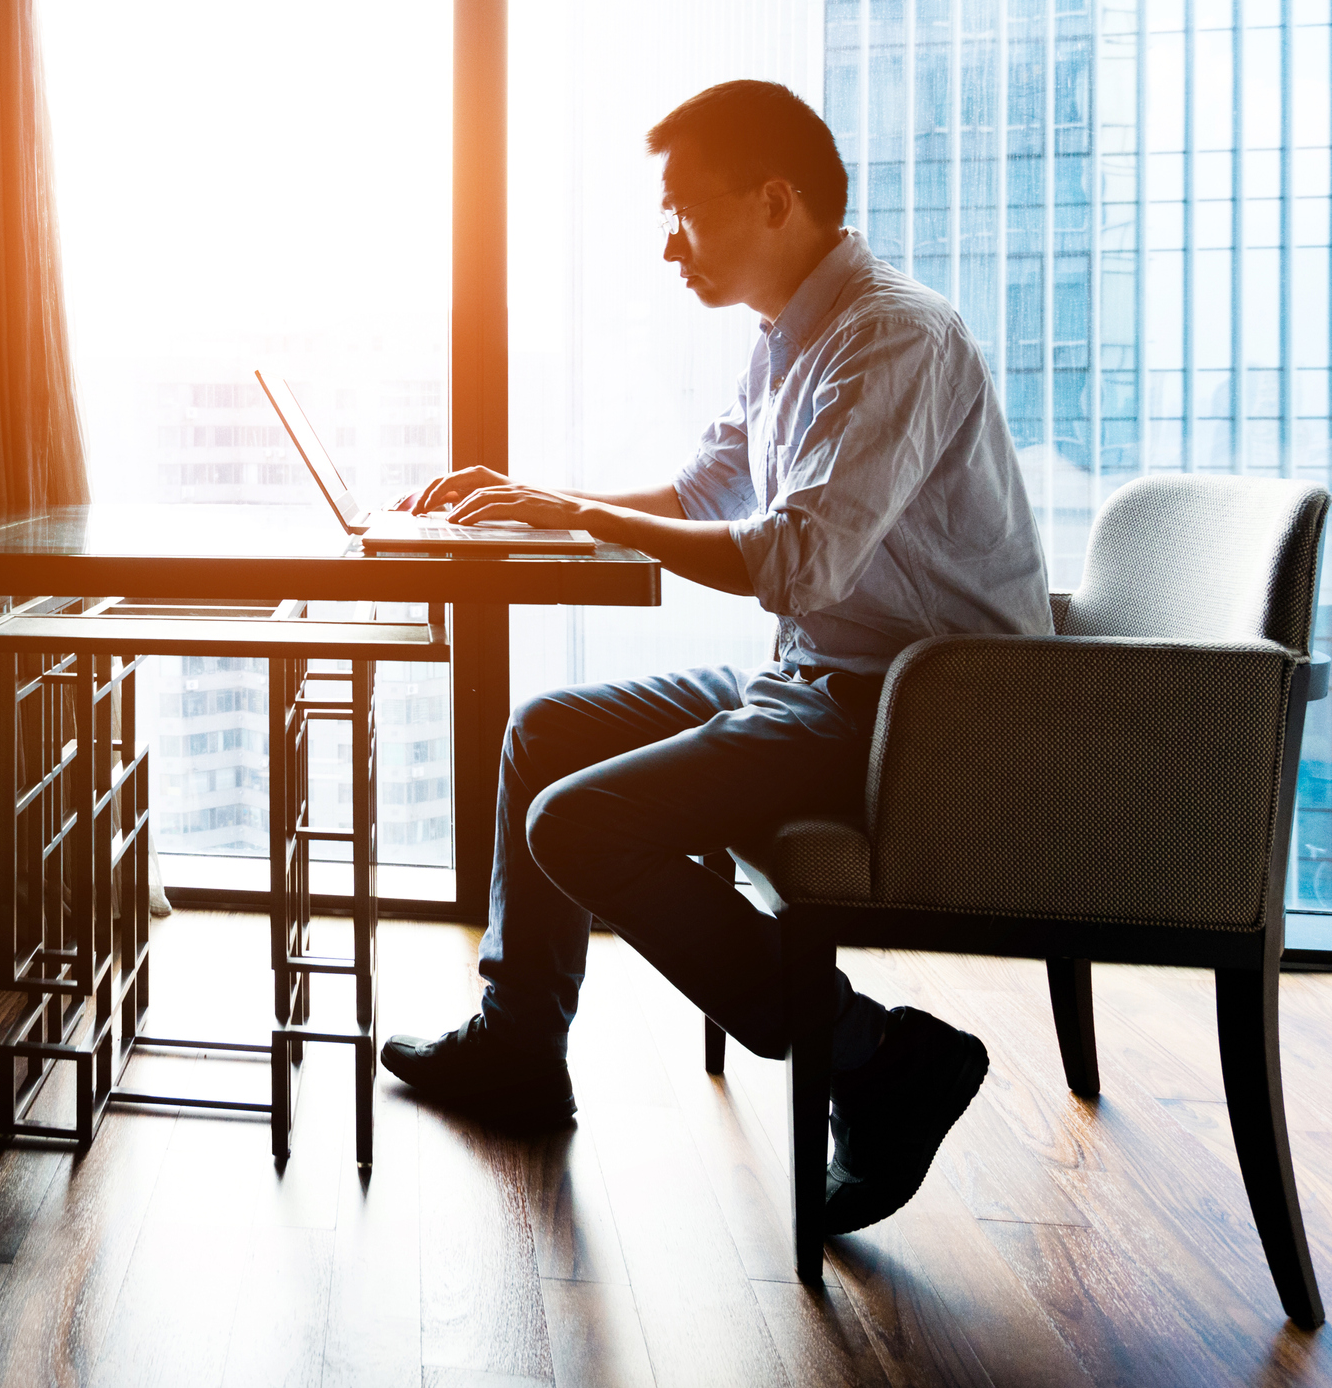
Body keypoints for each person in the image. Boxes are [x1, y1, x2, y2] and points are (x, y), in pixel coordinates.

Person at [380, 80, 1050, 1235]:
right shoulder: (788, 339)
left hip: (916, 719)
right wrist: (537, 505)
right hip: (823, 677)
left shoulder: (891, 336)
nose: (667, 242)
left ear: (776, 199)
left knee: (576, 822)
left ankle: (872, 1052)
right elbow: (704, 495)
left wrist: (574, 513)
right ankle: (520, 1047)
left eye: (685, 211)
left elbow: (792, 559)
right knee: (547, 730)